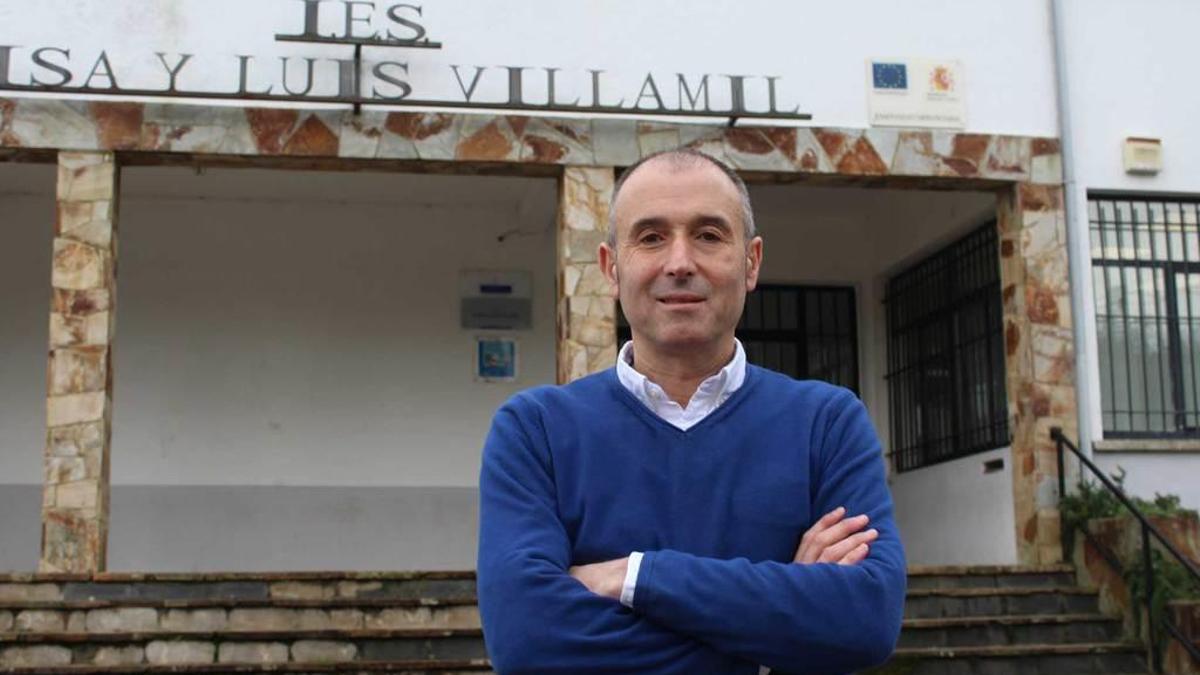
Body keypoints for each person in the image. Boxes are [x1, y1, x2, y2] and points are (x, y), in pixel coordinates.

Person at [476, 148, 906, 674]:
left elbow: (864, 620)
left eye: (708, 235)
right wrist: (771, 641)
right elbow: (527, 643)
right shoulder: (536, 430)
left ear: (750, 262)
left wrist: (634, 577)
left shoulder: (827, 423)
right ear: (612, 268)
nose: (679, 262)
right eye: (651, 237)